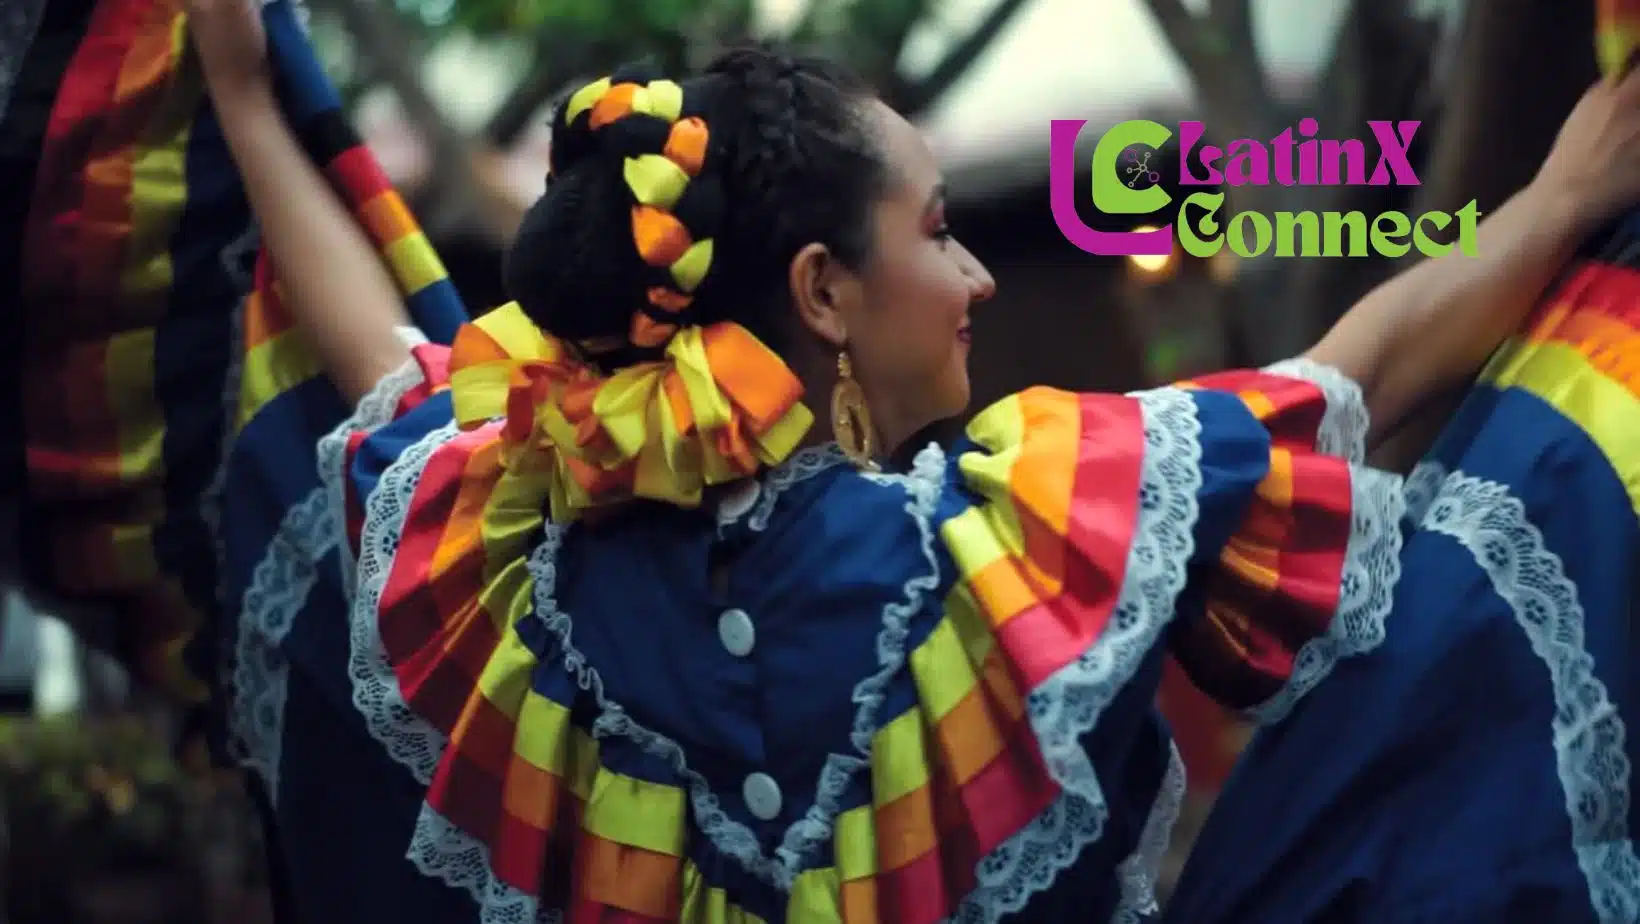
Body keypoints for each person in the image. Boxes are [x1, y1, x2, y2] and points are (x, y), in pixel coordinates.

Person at [20, 0, 1640, 921]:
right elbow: (1358, 370)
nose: (979, 273)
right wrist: (1570, 201)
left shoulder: (507, 570)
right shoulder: (1003, 532)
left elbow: (377, 364)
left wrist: (247, 105)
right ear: (822, 295)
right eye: (936, 232)